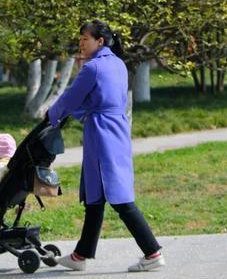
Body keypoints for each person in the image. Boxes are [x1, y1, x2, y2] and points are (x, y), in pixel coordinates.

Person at [47, 20, 164, 273]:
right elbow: (96, 99)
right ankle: (80, 256)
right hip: (118, 131)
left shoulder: (93, 68)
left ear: (100, 41)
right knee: (95, 196)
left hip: (101, 135)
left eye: (85, 40)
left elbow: (71, 97)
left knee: (118, 198)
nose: (81, 43)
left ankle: (152, 252)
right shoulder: (118, 64)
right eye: (80, 40)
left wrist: (51, 115)